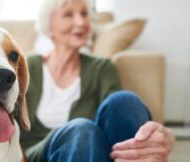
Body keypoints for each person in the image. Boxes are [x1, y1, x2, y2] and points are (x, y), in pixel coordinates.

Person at [18, 0, 175, 161]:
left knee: (125, 100)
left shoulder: (102, 67)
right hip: (37, 155)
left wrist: (162, 135)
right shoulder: (25, 66)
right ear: (49, 25)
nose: (81, 22)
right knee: (80, 129)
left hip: (93, 153)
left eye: (84, 14)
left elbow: (121, 115)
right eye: (68, 14)